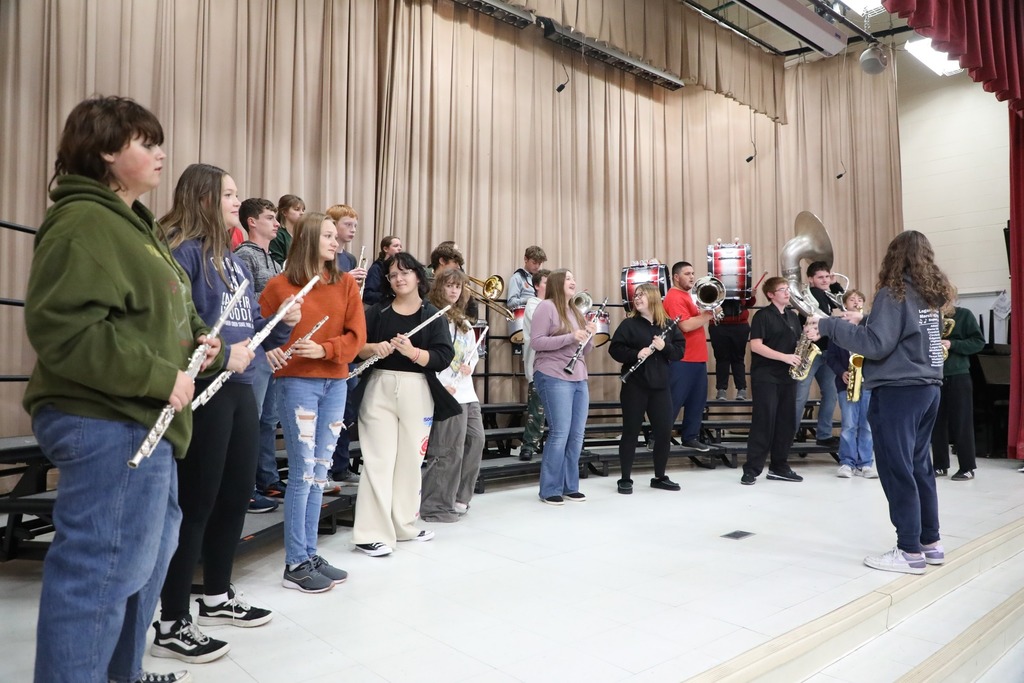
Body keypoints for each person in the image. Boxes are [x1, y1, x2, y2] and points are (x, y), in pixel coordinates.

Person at [23, 95, 218, 683]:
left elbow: (158, 317)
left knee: (140, 568)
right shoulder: (85, 220)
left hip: (142, 420)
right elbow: (64, 329)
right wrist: (162, 376)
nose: (161, 153)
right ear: (108, 151)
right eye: (145, 142)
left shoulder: (133, 226)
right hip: (108, 419)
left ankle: (121, 673)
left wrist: (200, 342)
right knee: (100, 573)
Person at [154, 163, 300, 663]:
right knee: (197, 502)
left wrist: (281, 325)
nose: (237, 200)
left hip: (238, 386)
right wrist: (219, 356)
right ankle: (172, 618)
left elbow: (252, 327)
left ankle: (217, 594)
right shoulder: (185, 254)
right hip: (203, 388)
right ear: (202, 197)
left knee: (235, 495)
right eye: (229, 194)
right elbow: (182, 326)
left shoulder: (232, 261)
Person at [812, 230, 953, 575]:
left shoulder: (894, 293)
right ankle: (929, 543)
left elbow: (876, 346)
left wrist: (829, 325)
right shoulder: (929, 296)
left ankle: (908, 550)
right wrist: (864, 321)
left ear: (894, 255)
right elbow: (901, 335)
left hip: (899, 392)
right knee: (919, 467)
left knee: (895, 468)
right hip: (928, 387)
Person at [261, 212, 366, 592]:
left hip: (335, 382)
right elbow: (261, 338)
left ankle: (308, 553)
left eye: (335, 236)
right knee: (304, 471)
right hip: (297, 385)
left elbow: (357, 336)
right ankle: (295, 563)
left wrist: (325, 349)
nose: (336, 241)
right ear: (307, 239)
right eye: (327, 235)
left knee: (320, 472)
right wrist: (274, 351)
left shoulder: (345, 286)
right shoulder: (278, 286)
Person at [352, 252, 457, 556]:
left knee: (410, 459)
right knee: (378, 460)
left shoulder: (433, 314)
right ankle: (370, 533)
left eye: (405, 272)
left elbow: (442, 357)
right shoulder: (376, 311)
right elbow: (356, 347)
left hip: (417, 388)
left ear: (418, 276)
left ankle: (403, 524)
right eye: (393, 274)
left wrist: (413, 352)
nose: (399, 278)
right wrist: (373, 347)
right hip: (379, 386)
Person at [419, 268, 486, 521]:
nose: (454, 290)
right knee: (448, 449)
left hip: (467, 392)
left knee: (476, 440)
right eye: (449, 285)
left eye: (458, 286)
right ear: (440, 287)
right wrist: (438, 385)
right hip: (445, 390)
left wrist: (472, 364)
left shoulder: (463, 320)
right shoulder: (430, 315)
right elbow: (427, 355)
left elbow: (473, 353)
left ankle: (459, 497)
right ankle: (435, 505)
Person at [608, 283, 686, 494]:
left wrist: (665, 347)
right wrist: (636, 353)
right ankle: (625, 478)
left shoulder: (668, 324)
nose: (637, 298)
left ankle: (660, 476)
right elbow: (614, 349)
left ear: (653, 297)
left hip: (661, 387)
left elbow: (679, 351)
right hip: (635, 386)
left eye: (642, 295)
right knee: (630, 432)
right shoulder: (629, 325)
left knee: (662, 432)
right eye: (636, 295)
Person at [234, 197, 286, 512]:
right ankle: (246, 488)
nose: (276, 223)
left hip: (272, 345)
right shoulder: (244, 255)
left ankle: (267, 478)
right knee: (252, 420)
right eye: (270, 218)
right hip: (254, 345)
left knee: (268, 419)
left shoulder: (275, 259)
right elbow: (245, 300)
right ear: (252, 222)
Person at [530, 269, 596, 505]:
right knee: (560, 433)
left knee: (577, 435)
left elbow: (585, 350)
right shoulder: (546, 307)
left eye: (573, 278)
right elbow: (536, 342)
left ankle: (570, 486)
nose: (573, 282)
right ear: (558, 283)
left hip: (578, 375)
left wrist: (589, 336)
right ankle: (549, 489)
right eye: (568, 278)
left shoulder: (577, 312)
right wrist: (570, 336)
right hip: (552, 373)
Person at [741, 277, 806, 485]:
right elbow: (756, 346)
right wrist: (784, 357)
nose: (787, 293)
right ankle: (751, 469)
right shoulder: (762, 316)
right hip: (766, 376)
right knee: (764, 421)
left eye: (788, 289)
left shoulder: (793, 316)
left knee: (786, 422)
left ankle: (779, 466)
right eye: (782, 290)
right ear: (770, 294)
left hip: (788, 376)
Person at [324, 204, 369, 488]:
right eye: (347, 225)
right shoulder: (326, 258)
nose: (352, 230)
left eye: (354, 225)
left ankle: (341, 466)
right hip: (329, 336)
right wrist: (346, 280)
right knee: (330, 407)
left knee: (346, 407)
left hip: (347, 336)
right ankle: (325, 467)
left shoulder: (350, 257)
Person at [824, 289, 877, 479]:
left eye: (860, 299)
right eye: (852, 299)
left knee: (867, 425)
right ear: (845, 305)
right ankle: (847, 462)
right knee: (848, 425)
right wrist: (842, 372)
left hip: (868, 382)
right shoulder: (838, 327)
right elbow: (830, 356)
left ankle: (866, 463)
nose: (856, 302)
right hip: (846, 382)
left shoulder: (870, 326)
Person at [930, 302, 984, 480]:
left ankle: (967, 467)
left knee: (962, 422)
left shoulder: (964, 315)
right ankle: (939, 465)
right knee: (936, 423)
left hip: (958, 375)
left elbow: (978, 342)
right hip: (934, 376)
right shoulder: (929, 316)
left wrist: (952, 344)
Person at [664, 261, 713, 451]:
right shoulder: (674, 297)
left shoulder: (689, 296)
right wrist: (708, 315)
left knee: (697, 401)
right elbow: (685, 326)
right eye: (687, 274)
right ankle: (658, 437)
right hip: (682, 358)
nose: (692, 277)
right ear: (676, 277)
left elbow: (696, 319)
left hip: (698, 357)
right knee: (673, 401)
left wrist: (708, 311)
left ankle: (690, 436)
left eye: (693, 273)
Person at [794, 261, 840, 447]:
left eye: (827, 277)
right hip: (810, 351)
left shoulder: (826, 294)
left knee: (831, 394)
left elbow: (842, 302)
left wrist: (834, 284)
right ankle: (788, 434)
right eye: (820, 277)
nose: (825, 280)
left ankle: (824, 435)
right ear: (810, 279)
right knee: (800, 396)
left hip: (827, 351)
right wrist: (833, 287)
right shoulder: (812, 294)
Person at [518, 268, 550, 462]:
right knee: (536, 407)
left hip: (557, 364)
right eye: (546, 282)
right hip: (538, 362)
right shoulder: (533, 303)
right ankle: (529, 445)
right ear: (537, 285)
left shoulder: (558, 305)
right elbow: (544, 325)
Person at [709, 291, 756, 401]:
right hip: (718, 325)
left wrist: (751, 295)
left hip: (740, 325)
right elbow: (706, 302)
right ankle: (721, 389)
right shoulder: (714, 283)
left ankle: (741, 389)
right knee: (721, 358)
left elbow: (749, 303)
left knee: (738, 358)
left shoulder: (741, 281)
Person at [363, 235, 403, 305]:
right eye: (396, 246)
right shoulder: (376, 268)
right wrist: (389, 297)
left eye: (400, 246)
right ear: (385, 249)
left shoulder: (400, 267)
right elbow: (367, 295)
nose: (399, 248)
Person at [269, 194, 305, 266]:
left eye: (303, 210)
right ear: (284, 212)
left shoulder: (303, 235)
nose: (302, 213)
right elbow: (278, 264)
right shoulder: (277, 235)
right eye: (297, 209)